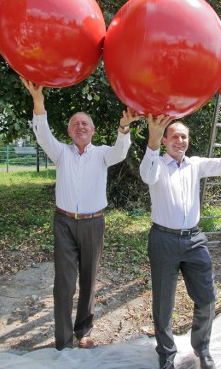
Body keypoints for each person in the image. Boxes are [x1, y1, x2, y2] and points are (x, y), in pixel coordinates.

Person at [139, 113, 221, 369]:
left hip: (194, 239)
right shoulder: (155, 164)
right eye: (174, 136)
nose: (180, 140)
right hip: (163, 239)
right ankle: (166, 354)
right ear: (166, 140)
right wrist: (152, 141)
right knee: (163, 302)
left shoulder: (195, 164)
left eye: (184, 136)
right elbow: (147, 175)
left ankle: (202, 349)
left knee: (207, 297)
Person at [22, 77, 141, 350]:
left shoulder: (102, 154)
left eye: (85, 123)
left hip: (93, 223)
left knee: (89, 279)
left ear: (93, 130)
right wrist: (38, 102)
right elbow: (42, 134)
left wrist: (124, 127)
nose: (80, 126)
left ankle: (84, 331)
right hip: (64, 223)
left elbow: (121, 151)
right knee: (63, 283)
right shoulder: (60, 152)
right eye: (75, 124)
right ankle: (63, 340)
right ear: (69, 131)